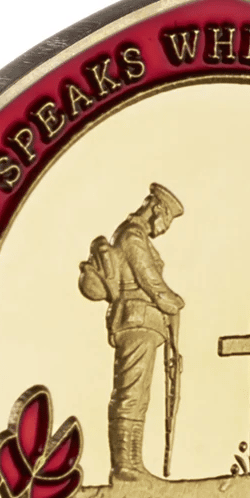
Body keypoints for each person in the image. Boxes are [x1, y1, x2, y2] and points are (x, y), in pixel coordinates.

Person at [79, 183, 185, 481]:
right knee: (130, 392)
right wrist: (174, 302)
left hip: (144, 323)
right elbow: (150, 280)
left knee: (139, 395)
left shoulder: (134, 236)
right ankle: (124, 465)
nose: (165, 227)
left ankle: (134, 463)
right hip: (135, 320)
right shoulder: (132, 236)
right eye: (167, 218)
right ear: (157, 209)